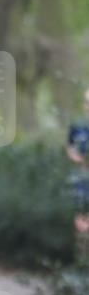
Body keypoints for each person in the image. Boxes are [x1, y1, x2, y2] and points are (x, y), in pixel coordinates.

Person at [66, 88, 89, 236]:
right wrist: (79, 159)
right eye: (87, 102)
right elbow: (70, 147)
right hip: (81, 174)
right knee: (80, 214)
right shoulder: (77, 125)